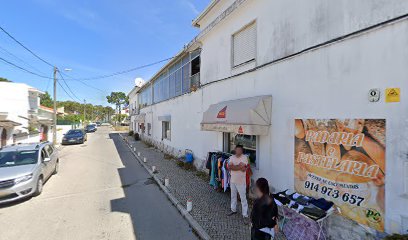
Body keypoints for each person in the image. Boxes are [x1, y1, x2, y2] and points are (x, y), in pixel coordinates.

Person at [227, 144, 249, 224]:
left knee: (243, 199)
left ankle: (245, 215)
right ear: (235, 150)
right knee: (233, 196)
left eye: (240, 150)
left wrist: (234, 166)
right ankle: (233, 210)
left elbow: (243, 169)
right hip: (233, 180)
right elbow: (229, 167)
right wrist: (239, 166)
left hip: (241, 182)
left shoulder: (244, 157)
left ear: (242, 151)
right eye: (237, 149)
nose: (238, 151)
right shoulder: (231, 157)